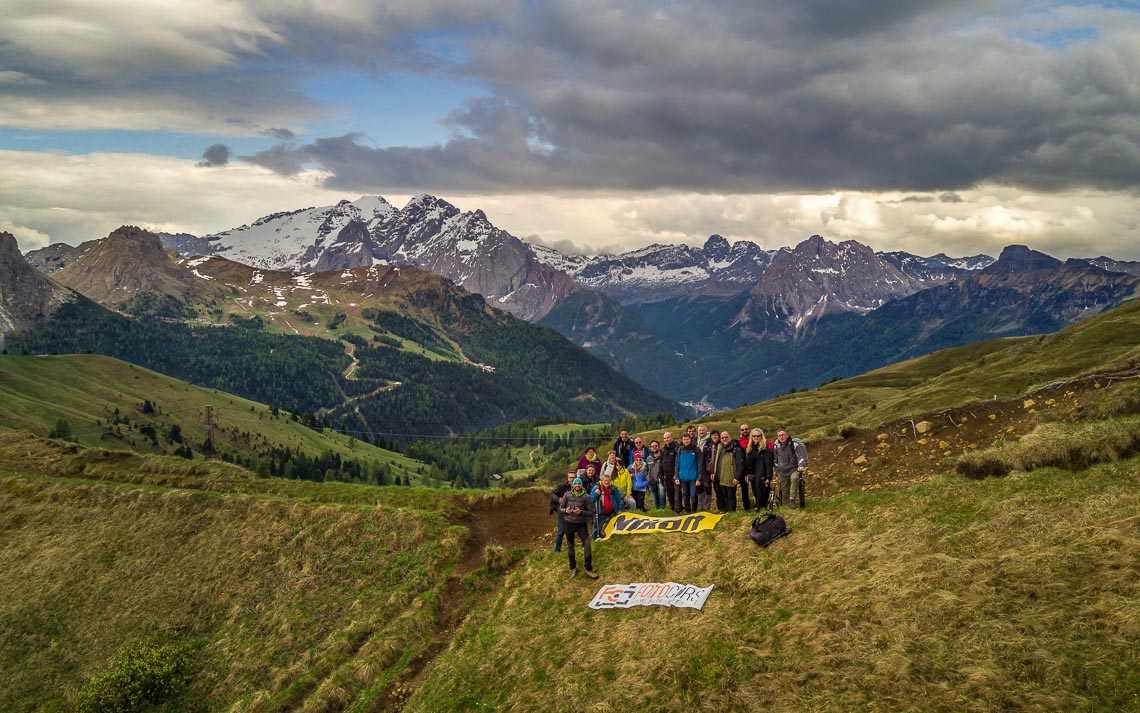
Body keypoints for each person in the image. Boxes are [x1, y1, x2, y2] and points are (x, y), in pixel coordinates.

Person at [560, 478, 598, 578]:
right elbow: (561, 508)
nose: (577, 485)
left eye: (579, 483)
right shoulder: (567, 495)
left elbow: (591, 511)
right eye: (575, 483)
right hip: (568, 523)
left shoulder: (586, 497)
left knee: (587, 545)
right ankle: (572, 568)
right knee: (570, 546)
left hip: (581, 524)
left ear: (581, 485)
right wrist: (566, 511)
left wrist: (581, 512)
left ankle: (588, 568)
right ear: (573, 485)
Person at [773, 427, 807, 509]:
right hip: (782, 471)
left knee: (795, 478)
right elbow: (775, 459)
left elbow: (801, 456)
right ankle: (786, 504)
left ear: (787, 435)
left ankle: (792, 500)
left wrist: (801, 466)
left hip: (793, 469)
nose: (781, 437)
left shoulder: (794, 444)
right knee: (784, 490)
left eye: (783, 435)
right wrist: (776, 470)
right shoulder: (776, 445)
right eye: (779, 435)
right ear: (777, 436)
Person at [713, 430, 745, 512]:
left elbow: (740, 464)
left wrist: (737, 477)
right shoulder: (720, 448)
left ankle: (732, 512)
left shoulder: (736, 449)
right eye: (722, 438)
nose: (724, 439)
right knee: (724, 496)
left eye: (726, 437)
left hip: (730, 478)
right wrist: (714, 473)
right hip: (721, 477)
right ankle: (726, 512)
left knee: (731, 497)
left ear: (730, 437)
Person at [744, 429, 774, 513]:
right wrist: (747, 474)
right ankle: (759, 509)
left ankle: (762, 510)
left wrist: (768, 477)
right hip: (752, 476)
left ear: (761, 436)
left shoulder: (766, 449)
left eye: (758, 436)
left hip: (762, 476)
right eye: (754, 436)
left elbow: (769, 464)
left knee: (763, 495)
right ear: (751, 437)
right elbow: (747, 463)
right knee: (756, 493)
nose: (756, 437)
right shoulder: (749, 449)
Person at [674, 432, 703, 514]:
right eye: (684, 439)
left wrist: (699, 478)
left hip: (693, 477)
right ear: (682, 440)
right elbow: (677, 463)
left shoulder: (696, 449)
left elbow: (700, 464)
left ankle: (694, 511)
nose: (686, 441)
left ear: (690, 439)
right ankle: (687, 511)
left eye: (687, 439)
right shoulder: (680, 450)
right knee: (685, 495)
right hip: (683, 477)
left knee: (693, 495)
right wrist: (676, 476)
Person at [591, 471, 624, 539]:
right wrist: (595, 494)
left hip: (612, 512)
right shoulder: (596, 488)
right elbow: (590, 499)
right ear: (602, 480)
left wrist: (620, 509)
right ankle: (595, 539)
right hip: (600, 513)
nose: (607, 482)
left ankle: (611, 537)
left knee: (612, 525)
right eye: (605, 480)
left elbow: (619, 499)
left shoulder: (613, 488)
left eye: (608, 481)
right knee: (597, 527)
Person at [551, 471, 577, 552]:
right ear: (567, 478)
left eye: (573, 477)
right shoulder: (562, 487)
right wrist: (559, 499)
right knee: (561, 531)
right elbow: (552, 494)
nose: (572, 479)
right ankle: (557, 550)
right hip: (562, 513)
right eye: (570, 477)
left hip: (573, 513)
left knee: (571, 532)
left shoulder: (578, 487)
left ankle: (571, 548)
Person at [658, 431, 679, 512]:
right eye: (665, 438)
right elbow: (661, 463)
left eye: (668, 437)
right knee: (669, 494)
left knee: (677, 493)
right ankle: (672, 508)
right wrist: (660, 475)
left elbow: (678, 462)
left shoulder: (676, 448)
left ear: (671, 437)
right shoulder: (663, 450)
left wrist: (676, 474)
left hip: (674, 475)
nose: (666, 439)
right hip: (666, 476)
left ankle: (678, 509)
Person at [700, 430, 719, 512]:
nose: (714, 437)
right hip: (706, 471)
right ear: (710, 437)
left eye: (716, 435)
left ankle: (721, 508)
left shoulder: (720, 445)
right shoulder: (707, 445)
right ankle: (705, 508)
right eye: (713, 435)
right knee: (706, 488)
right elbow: (703, 458)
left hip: (717, 471)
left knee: (718, 489)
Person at [646, 439, 666, 509]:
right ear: (650, 448)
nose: (654, 447)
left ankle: (663, 509)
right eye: (652, 446)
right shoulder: (649, 458)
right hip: (651, 481)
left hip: (660, 480)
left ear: (659, 446)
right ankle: (656, 509)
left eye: (656, 446)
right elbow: (646, 469)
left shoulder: (663, 456)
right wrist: (647, 477)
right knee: (654, 496)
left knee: (662, 495)